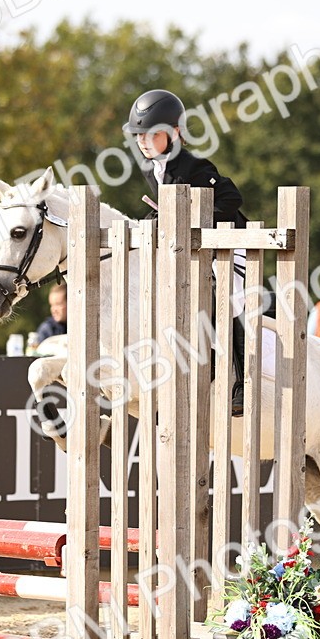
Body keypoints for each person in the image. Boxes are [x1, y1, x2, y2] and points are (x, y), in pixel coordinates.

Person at [123, 88, 249, 415]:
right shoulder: (151, 169)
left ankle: (242, 381)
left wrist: (194, 221)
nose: (143, 143)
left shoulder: (196, 166)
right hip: (194, 249)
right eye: (139, 137)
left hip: (230, 243)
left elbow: (232, 199)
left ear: (175, 133)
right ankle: (199, 364)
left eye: (151, 136)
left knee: (230, 296)